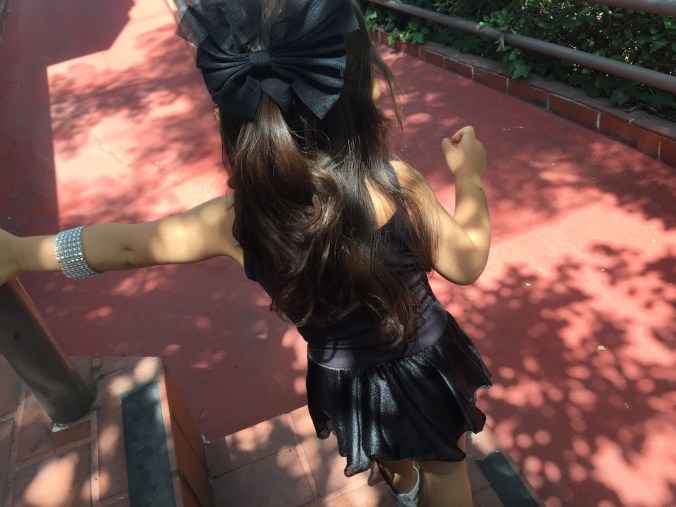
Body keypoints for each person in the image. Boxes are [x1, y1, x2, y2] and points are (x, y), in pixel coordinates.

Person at [0, 0, 491, 505]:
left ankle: (405, 486)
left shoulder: (235, 221)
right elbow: (467, 262)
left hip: (346, 381)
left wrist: (21, 254)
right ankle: (422, 485)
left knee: (381, 441)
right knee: (447, 468)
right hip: (426, 368)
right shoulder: (397, 184)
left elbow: (125, 246)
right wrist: (468, 178)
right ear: (364, 93)